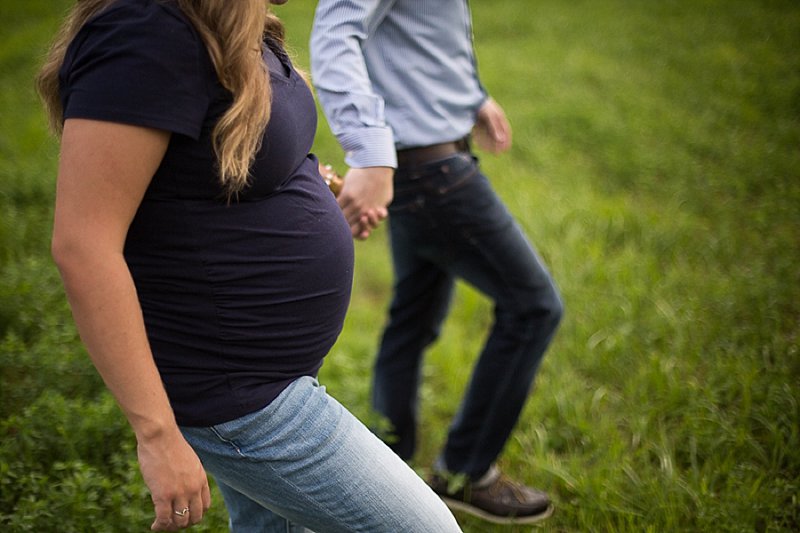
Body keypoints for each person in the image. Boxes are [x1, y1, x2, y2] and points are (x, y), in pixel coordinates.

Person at [36, 0, 463, 531]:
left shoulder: (232, 22)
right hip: (236, 394)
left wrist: (303, 184)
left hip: (270, 376)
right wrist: (157, 435)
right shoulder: (145, 35)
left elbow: (218, 157)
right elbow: (84, 245)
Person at [310, 0, 564, 525]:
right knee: (534, 307)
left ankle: (390, 463)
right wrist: (368, 150)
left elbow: (416, 34)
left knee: (414, 315)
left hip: (427, 160)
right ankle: (465, 473)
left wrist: (470, 97)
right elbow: (337, 31)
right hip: (431, 172)